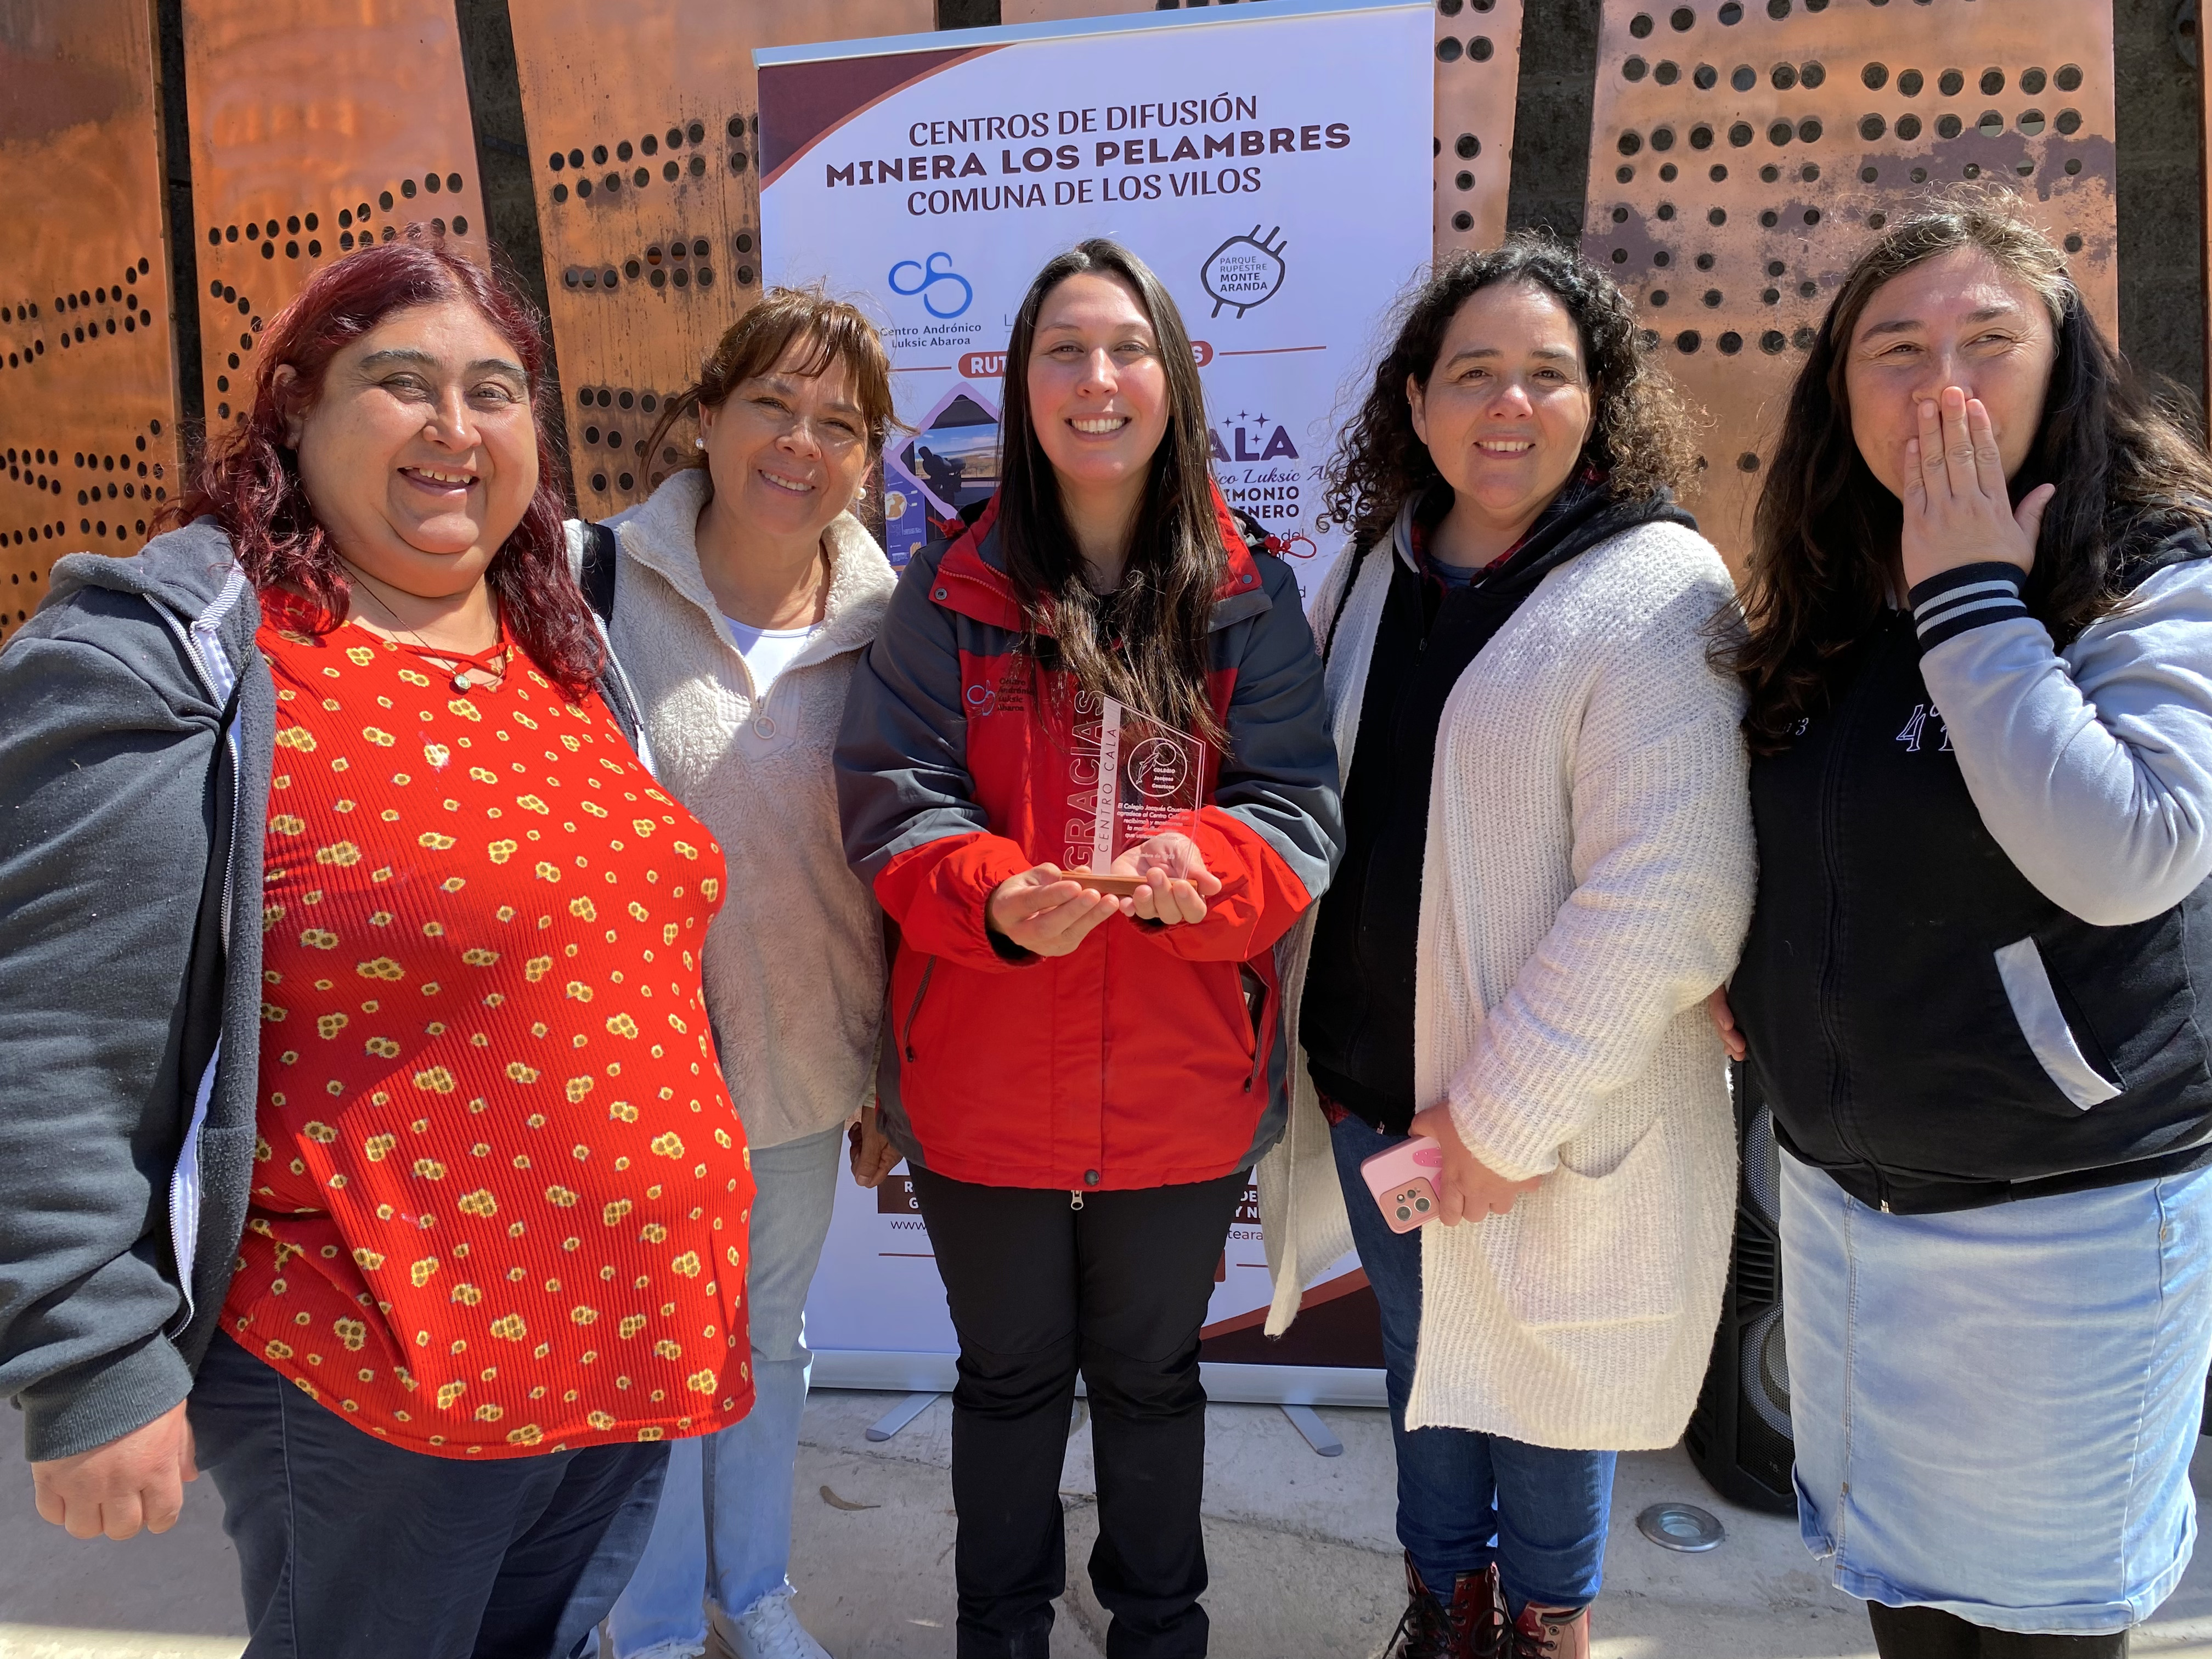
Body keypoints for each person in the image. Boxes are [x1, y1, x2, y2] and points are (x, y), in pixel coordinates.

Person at [0, 232, 754, 1659]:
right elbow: (51, 1032)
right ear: (294, 407)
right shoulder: (178, 651)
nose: (456, 431)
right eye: (401, 383)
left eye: (496, 390)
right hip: (378, 1382)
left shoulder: (561, 648)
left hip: (620, 1354)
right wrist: (87, 1358)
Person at [1703, 195, 2212, 1658]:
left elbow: (2129, 853)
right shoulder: (1831, 590)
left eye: (1989, 341)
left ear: (2067, 369)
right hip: (1851, 1218)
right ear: (1835, 390)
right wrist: (1755, 964)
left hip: (2065, 1234)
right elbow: (1826, 833)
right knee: (1909, 1615)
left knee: (2042, 1636)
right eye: (1894, 348)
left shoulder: (2150, 574)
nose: (1941, 385)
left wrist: (1977, 597)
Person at [834, 238, 1341, 1659]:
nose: (1096, 378)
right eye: (1064, 349)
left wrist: (1208, 870)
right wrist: (996, 897)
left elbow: (1297, 806)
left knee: (1152, 1380)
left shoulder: (1249, 593)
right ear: (1020, 387)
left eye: (1126, 347)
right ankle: (997, 1637)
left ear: (1174, 379)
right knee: (1003, 1383)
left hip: (1186, 1082)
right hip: (983, 1077)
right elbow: (891, 796)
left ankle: (1157, 1634)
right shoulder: (949, 587)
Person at [1258, 235, 1755, 1659]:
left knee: (1547, 1383)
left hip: (1542, 1119)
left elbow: (1671, 891)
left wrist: (1499, 1119)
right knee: (1429, 1363)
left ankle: (1547, 1627)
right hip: (1375, 1102)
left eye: (1549, 374)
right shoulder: (1367, 571)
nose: (1509, 404)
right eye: (1474, 373)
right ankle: (1443, 1603)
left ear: (1598, 401)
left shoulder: (1655, 588)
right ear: (1415, 403)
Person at [594, 290, 899, 1659]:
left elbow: (904, 864)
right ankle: (650, 1624)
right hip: (624, 1069)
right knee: (649, 1355)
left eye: (840, 422)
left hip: (801, 1060)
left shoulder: (898, 625)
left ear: (869, 456)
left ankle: (752, 1591)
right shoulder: (588, 584)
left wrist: (892, 1068)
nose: (800, 440)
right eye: (772, 402)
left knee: (763, 1340)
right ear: (706, 417)